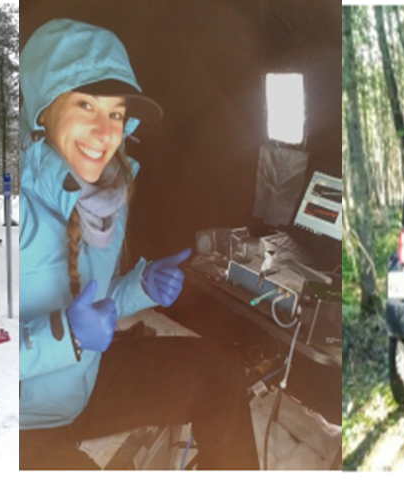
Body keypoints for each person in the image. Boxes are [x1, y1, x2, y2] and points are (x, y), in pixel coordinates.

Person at [19, 19, 258, 470]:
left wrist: (139, 286)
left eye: (115, 113)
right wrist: (66, 336)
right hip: (19, 423)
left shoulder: (105, 196)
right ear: (43, 109)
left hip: (83, 383)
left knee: (222, 374)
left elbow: (90, 302)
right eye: (86, 104)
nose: (105, 132)